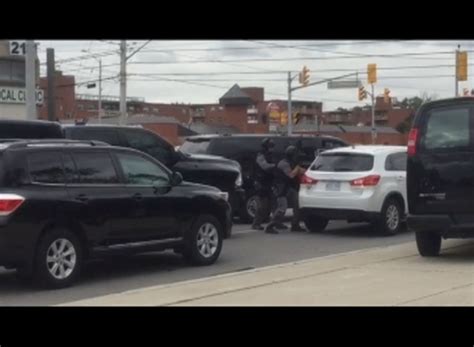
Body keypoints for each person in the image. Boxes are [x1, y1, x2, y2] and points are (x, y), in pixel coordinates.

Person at [265, 145, 305, 234]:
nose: (296, 157)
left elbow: (302, 171)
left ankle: (295, 225)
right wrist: (297, 168)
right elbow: (291, 175)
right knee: (282, 207)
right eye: (295, 155)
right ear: (291, 155)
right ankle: (270, 226)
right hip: (280, 188)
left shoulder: (292, 162)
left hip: (289, 187)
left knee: (297, 204)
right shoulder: (284, 163)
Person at [252, 138, 276, 231]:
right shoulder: (260, 155)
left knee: (272, 204)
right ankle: (256, 223)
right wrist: (274, 165)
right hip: (261, 183)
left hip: (269, 182)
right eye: (270, 146)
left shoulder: (270, 155)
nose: (272, 148)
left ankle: (273, 223)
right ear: (266, 146)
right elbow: (264, 166)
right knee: (262, 205)